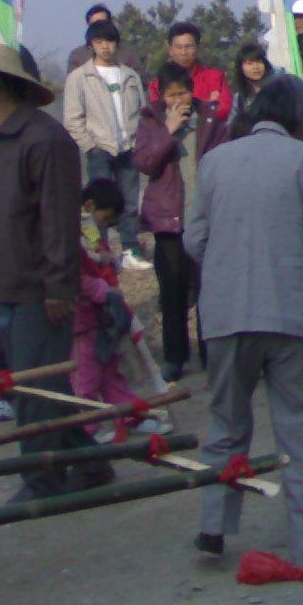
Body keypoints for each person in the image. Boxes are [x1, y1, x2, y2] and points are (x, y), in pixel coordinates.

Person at [185, 74, 303, 569]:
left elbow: (194, 240)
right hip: (292, 312)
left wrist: (226, 269)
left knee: (226, 420)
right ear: (301, 119)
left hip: (226, 312)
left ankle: (213, 524)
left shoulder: (214, 161)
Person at [0, 44, 115, 501]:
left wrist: (58, 287)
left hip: (37, 288)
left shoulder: (45, 140)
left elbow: (59, 222)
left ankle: (41, 480)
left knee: (36, 388)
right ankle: (89, 463)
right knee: (38, 386)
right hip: (3, 283)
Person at [134, 62, 228, 381]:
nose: (179, 100)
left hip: (206, 219)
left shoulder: (210, 119)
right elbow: (144, 163)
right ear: (162, 96)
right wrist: (168, 131)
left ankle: (212, 354)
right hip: (169, 221)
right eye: (172, 94)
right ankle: (175, 357)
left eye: (183, 92)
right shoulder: (151, 121)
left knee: (210, 292)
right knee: (172, 293)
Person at [62, 19, 151, 269]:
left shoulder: (130, 75)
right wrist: (89, 145)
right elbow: (72, 118)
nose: (105, 47)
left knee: (130, 202)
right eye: (99, 41)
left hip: (129, 148)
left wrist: (139, 141)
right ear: (90, 45)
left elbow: (143, 112)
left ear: (117, 44)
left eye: (110, 41)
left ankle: (130, 250)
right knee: (99, 204)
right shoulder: (80, 77)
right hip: (99, 148)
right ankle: (99, 251)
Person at [71, 178, 139, 411]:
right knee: (86, 376)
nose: (105, 224)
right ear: (89, 206)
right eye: (106, 218)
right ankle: (88, 424)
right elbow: (78, 276)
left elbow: (101, 261)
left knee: (111, 369)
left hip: (101, 316)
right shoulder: (71, 234)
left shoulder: (91, 233)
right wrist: (104, 291)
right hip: (82, 317)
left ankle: (127, 414)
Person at [147, 21, 233, 121]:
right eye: (178, 47)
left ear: (198, 47)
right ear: (170, 49)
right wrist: (208, 106)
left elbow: (223, 110)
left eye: (188, 46)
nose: (183, 52)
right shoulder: (157, 84)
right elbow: (154, 115)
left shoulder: (215, 78)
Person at [228, 42, 272, 127]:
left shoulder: (279, 90)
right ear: (241, 68)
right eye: (250, 63)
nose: (256, 67)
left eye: (259, 62)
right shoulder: (239, 99)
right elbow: (232, 127)